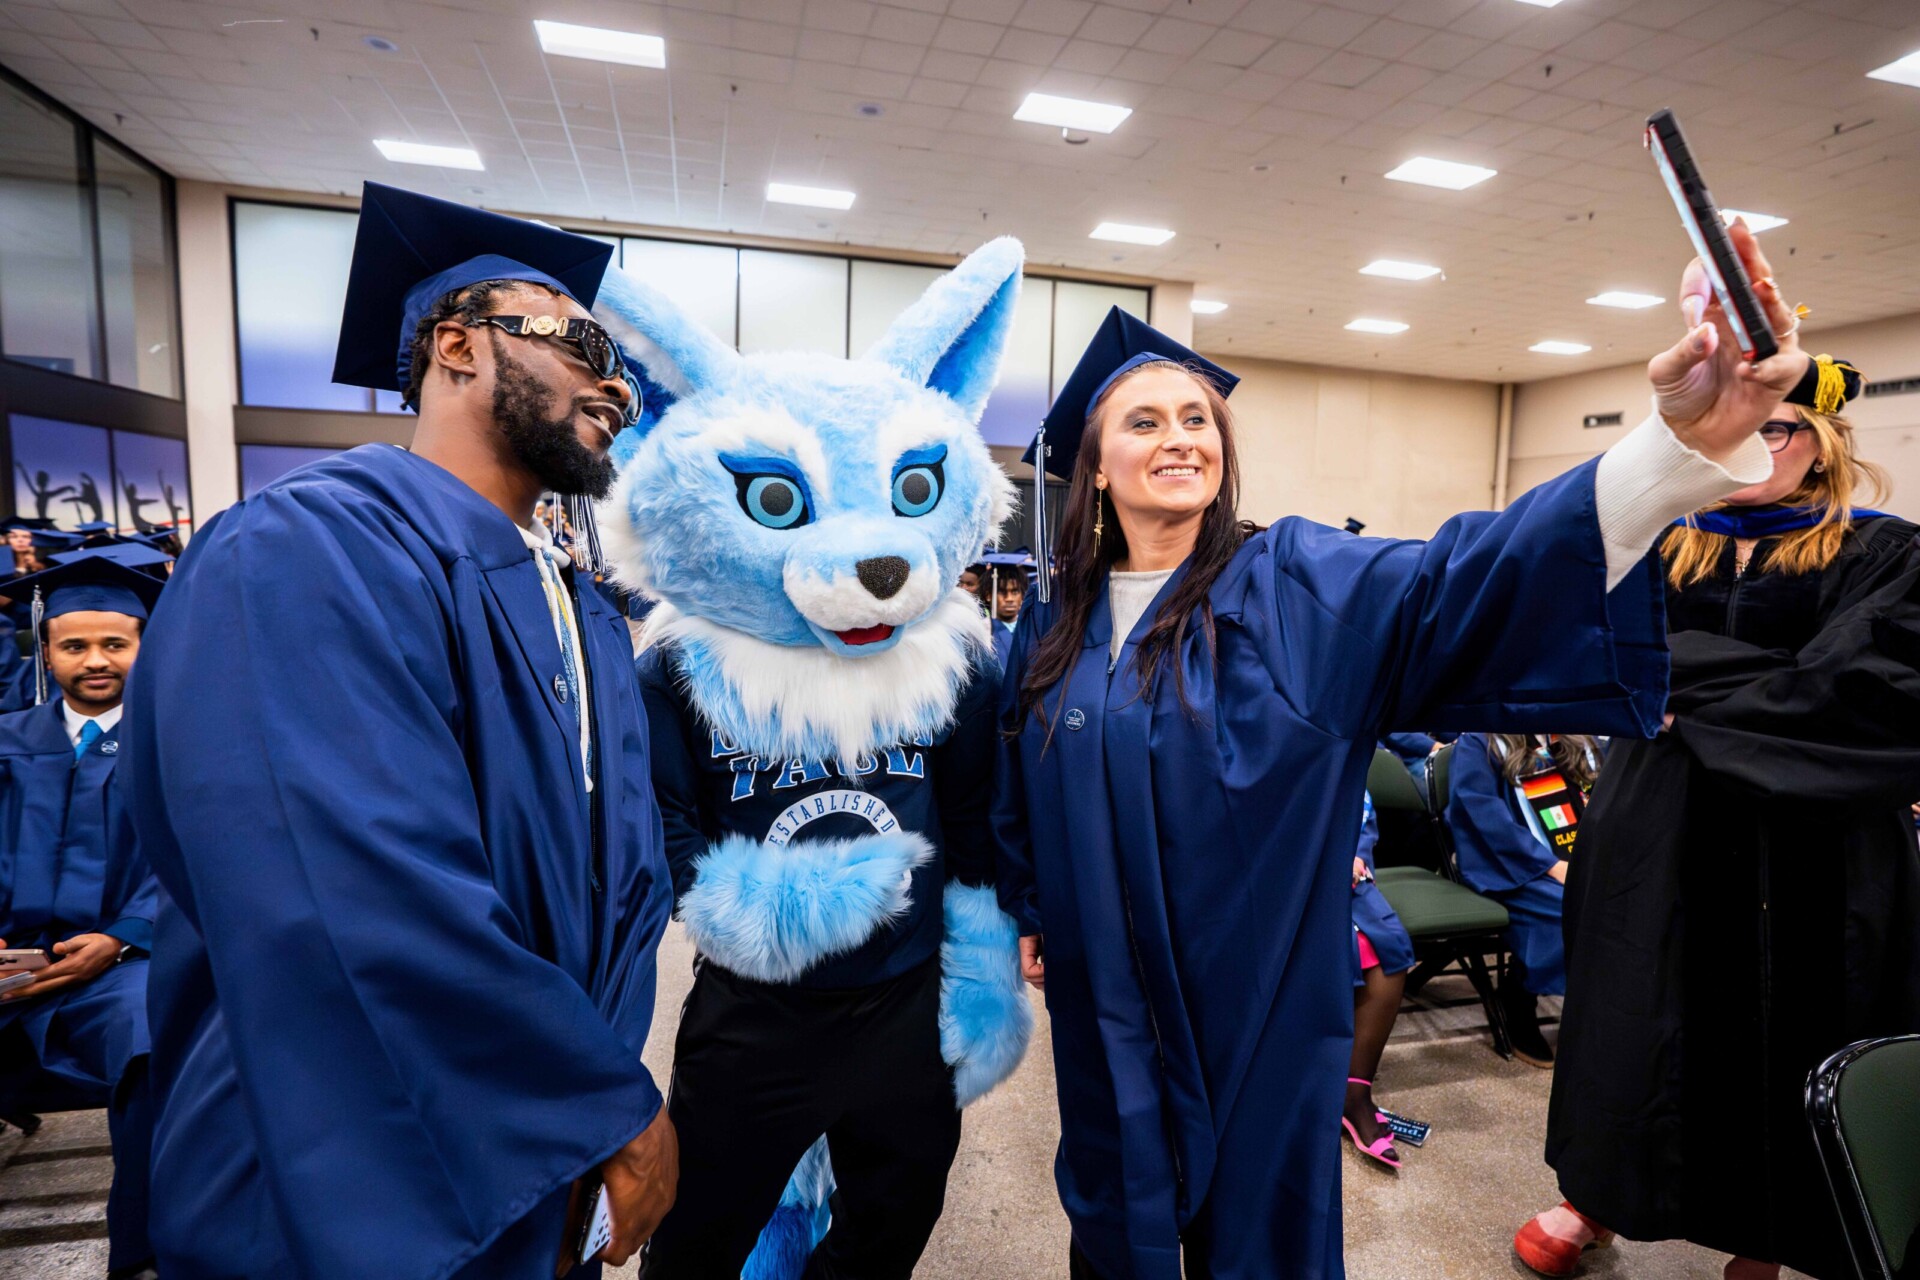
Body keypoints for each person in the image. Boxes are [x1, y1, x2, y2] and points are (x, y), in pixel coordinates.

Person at [993, 218, 1806, 1280]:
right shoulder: (1051, 630)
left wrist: (1671, 446)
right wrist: (1030, 914)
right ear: (1094, 466)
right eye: (1143, 420)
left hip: (1261, 997)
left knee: (1261, 1234)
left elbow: (1460, 575)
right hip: (1103, 995)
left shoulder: (1292, 585)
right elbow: (1019, 789)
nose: (1181, 434)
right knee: (1111, 1203)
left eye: (1199, 415)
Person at [123, 183, 678, 1279]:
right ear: (459, 347)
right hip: (338, 1160)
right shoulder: (302, 549)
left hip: (528, 1153)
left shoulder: (582, 609)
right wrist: (601, 1103)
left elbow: (617, 884)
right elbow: (348, 894)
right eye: (581, 342)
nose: (615, 381)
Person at [591, 234, 1032, 1279]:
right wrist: (755, 908)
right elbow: (664, 825)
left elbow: (970, 816)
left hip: (904, 996)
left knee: (897, 1207)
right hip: (755, 1011)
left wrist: (982, 958)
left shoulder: (953, 665)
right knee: (701, 1230)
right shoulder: (684, 671)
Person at [1522, 362, 1920, 1280]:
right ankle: (1597, 1196)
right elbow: (1584, 657)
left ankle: (1768, 1235)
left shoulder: (1887, 553)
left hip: (1817, 839)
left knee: (1794, 1021)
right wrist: (1762, 680)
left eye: (1775, 427)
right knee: (1631, 1008)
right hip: (1658, 830)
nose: (1751, 443)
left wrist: (1682, 693)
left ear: (1820, 443)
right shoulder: (1655, 544)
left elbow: (1857, 696)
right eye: (1731, 427)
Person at [0, 553, 165, 1280]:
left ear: (144, 647)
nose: (95, 661)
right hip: (10, 961)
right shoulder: (7, 743)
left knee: (152, 1031)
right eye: (74, 645)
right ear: (47, 650)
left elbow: (199, 859)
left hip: (117, 970)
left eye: (115, 644)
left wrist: (122, 939)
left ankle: (144, 1249)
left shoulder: (175, 744)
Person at [1446, 733, 1599, 1067]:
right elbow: (1481, 815)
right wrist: (1549, 865)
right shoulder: (1481, 740)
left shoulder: (1573, 732)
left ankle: (1604, 1013)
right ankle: (1518, 996)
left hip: (1578, 859)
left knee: (1629, 899)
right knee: (1573, 908)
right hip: (1511, 866)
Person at [1346, 794, 1413, 1170]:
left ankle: (1355, 1092)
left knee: (1386, 948)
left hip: (1347, 875)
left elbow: (1361, 810)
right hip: (1281, 869)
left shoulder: (1344, 745)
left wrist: (1351, 855)